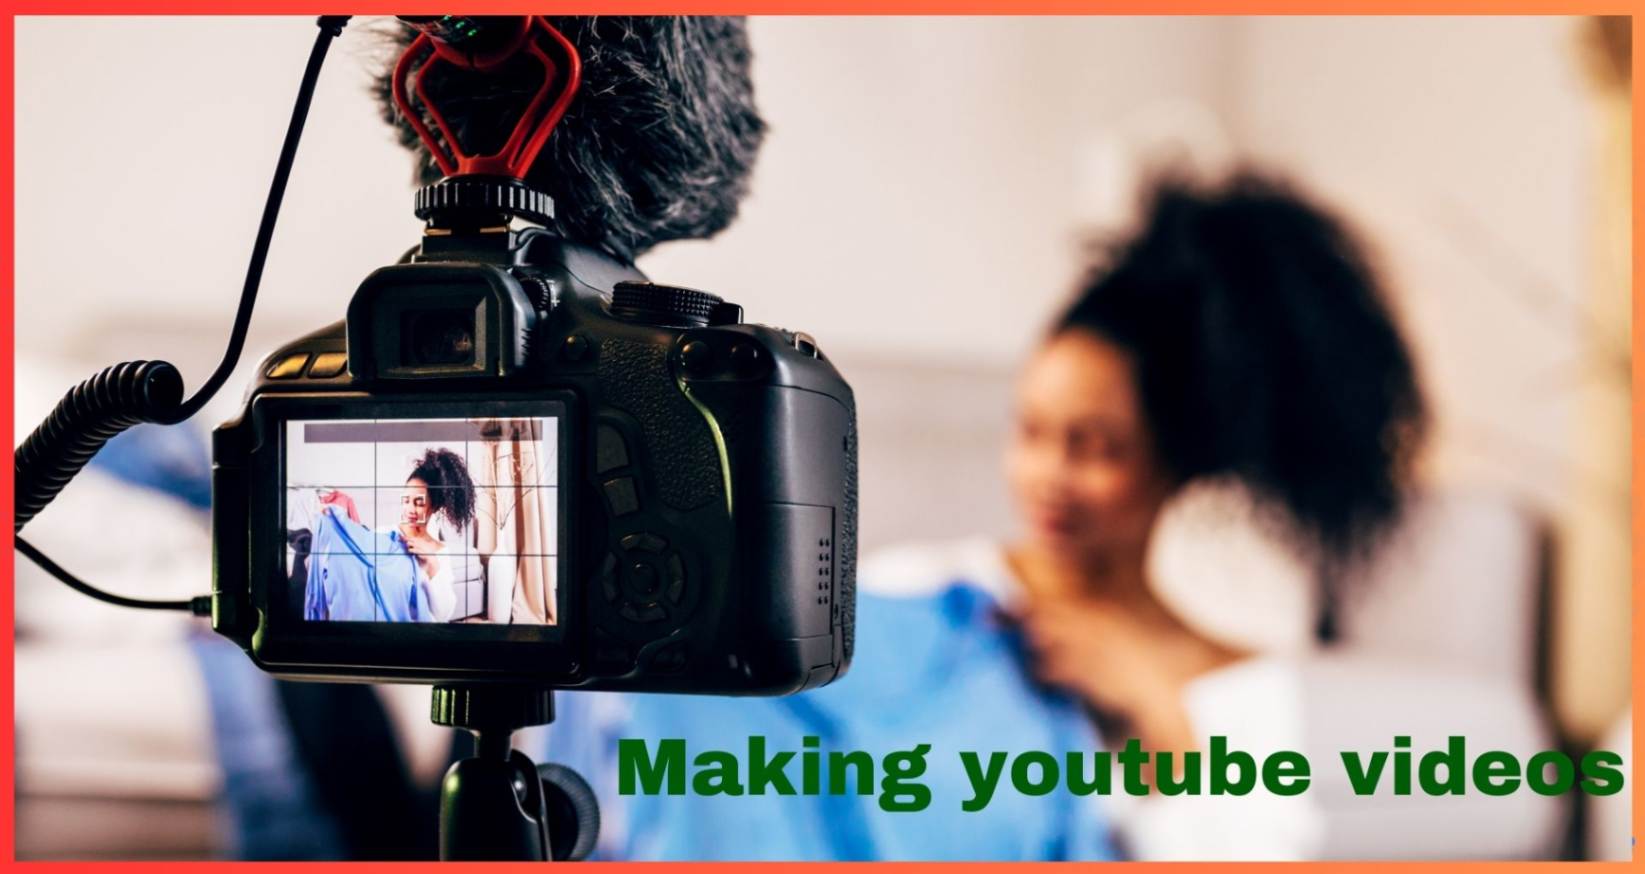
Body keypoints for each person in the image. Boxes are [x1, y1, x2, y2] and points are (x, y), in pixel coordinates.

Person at [543, 171, 1562, 860]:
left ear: (1173, 462)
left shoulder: (1235, 681)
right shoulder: (925, 592)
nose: (1049, 475)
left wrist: (1157, 730)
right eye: (1032, 431)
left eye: (1097, 445)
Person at [304, 448, 476, 623]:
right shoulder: (383, 534)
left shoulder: (439, 552)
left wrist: (432, 564)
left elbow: (443, 615)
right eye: (406, 500)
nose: (410, 509)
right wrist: (329, 532)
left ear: (434, 507)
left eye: (418, 503)